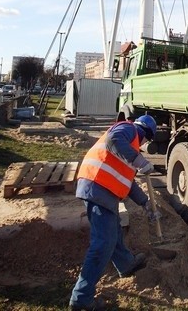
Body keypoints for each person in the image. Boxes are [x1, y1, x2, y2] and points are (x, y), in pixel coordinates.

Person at [69, 115, 159, 311]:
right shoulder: (128, 129)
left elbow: (129, 182)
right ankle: (81, 298)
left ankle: (126, 263)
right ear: (147, 135)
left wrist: (145, 204)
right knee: (103, 243)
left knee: (114, 231)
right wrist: (140, 160)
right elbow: (113, 140)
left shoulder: (130, 148)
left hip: (102, 190)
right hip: (97, 186)